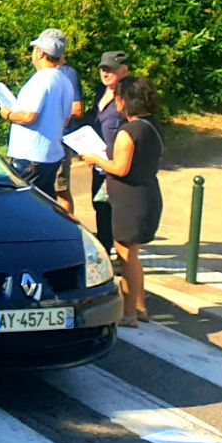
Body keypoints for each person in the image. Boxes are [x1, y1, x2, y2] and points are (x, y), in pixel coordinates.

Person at [76, 76, 163, 329]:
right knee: (133, 255)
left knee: (126, 258)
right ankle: (139, 307)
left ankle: (129, 314)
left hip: (129, 198)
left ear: (124, 100)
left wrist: (95, 159)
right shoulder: (151, 126)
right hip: (145, 193)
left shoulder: (128, 131)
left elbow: (120, 168)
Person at [0, 29, 78, 198]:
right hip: (51, 155)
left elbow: (29, 116)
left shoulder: (41, 79)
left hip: (30, 155)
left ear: (40, 52)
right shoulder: (65, 80)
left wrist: (8, 114)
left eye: (34, 50)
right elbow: (65, 120)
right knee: (46, 202)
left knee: (20, 202)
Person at [86, 51, 131, 246]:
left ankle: (119, 256)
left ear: (124, 71)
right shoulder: (100, 91)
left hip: (116, 163)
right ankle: (105, 249)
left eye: (110, 69)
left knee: (115, 211)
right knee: (99, 205)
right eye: (103, 69)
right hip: (98, 161)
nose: (105, 73)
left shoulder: (129, 96)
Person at [51, 53, 86, 214]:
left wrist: (54, 118)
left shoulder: (67, 73)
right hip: (45, 141)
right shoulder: (44, 74)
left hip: (60, 141)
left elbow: (77, 108)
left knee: (61, 189)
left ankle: (70, 232)